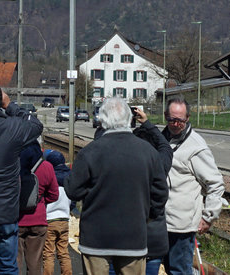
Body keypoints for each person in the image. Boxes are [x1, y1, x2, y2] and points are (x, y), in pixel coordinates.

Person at [67, 97, 167, 275]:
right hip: (134, 237)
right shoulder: (148, 152)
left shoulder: (90, 152)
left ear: (102, 120)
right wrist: (146, 217)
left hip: (95, 240)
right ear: (129, 119)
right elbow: (160, 193)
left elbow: (73, 190)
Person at [0, 79, 44, 275]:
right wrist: (10, 105)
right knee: (7, 265)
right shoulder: (14, 127)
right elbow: (36, 124)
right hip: (6, 211)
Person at [162, 97, 224, 275]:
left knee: (179, 270)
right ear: (166, 115)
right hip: (161, 221)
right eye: (171, 119)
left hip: (182, 224)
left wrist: (209, 216)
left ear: (187, 118)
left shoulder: (196, 147)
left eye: (180, 120)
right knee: (169, 268)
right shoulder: (162, 139)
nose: (175, 124)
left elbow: (215, 183)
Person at [16, 141, 58, 275]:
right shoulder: (47, 166)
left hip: (16, 219)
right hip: (38, 220)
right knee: (35, 264)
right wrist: (40, 200)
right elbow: (54, 195)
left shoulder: (16, 165)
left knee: (15, 262)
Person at [40, 150, 72, 275]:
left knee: (48, 253)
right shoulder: (68, 181)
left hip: (50, 220)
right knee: (63, 252)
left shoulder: (50, 181)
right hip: (64, 219)